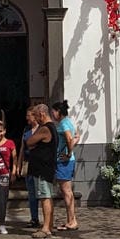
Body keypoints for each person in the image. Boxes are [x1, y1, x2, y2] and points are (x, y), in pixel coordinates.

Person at [24, 103, 57, 238]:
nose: (36, 119)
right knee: (47, 196)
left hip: (42, 169)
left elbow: (29, 141)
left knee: (44, 197)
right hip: (45, 168)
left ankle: (45, 228)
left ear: (42, 114)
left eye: (37, 116)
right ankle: (49, 225)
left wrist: (34, 142)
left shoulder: (45, 129)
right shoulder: (51, 128)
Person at [51, 99, 79, 231]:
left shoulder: (63, 124)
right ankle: (71, 220)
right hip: (66, 160)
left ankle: (72, 221)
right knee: (68, 191)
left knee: (66, 191)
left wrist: (68, 153)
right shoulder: (68, 122)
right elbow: (75, 137)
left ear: (58, 112)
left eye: (53, 111)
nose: (52, 114)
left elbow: (69, 138)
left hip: (64, 162)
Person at [21, 108, 40, 228]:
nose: (27, 118)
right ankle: (34, 218)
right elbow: (22, 147)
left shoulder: (41, 129)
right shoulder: (26, 129)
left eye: (29, 116)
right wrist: (19, 164)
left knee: (40, 192)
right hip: (28, 162)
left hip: (38, 163)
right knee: (31, 192)